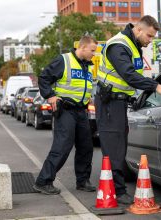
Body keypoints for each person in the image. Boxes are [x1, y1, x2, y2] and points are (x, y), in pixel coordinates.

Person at [95, 15, 161, 204]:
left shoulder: (133, 45)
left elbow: (132, 78)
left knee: (118, 145)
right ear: (138, 30)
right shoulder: (118, 45)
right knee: (114, 148)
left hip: (119, 101)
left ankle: (115, 188)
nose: (150, 41)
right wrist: (156, 86)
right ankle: (117, 192)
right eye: (149, 36)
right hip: (109, 103)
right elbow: (129, 75)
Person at [33, 35, 97, 195]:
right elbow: (44, 78)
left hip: (82, 111)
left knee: (86, 147)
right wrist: (50, 95)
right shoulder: (64, 60)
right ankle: (43, 181)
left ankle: (82, 181)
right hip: (66, 111)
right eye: (92, 50)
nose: (94, 54)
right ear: (82, 47)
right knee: (62, 147)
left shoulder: (87, 65)